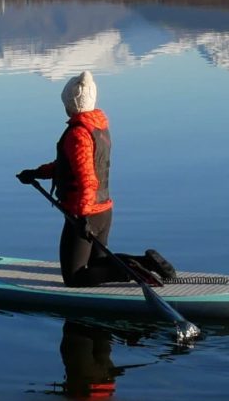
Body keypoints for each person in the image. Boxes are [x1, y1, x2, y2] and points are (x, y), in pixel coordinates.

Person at [18, 71, 176, 287]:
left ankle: (131, 271)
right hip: (103, 209)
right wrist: (37, 173)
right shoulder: (98, 128)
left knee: (74, 278)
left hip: (86, 213)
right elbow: (70, 167)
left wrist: (82, 217)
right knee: (98, 262)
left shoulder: (77, 135)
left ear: (70, 103)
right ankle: (146, 262)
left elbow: (86, 179)